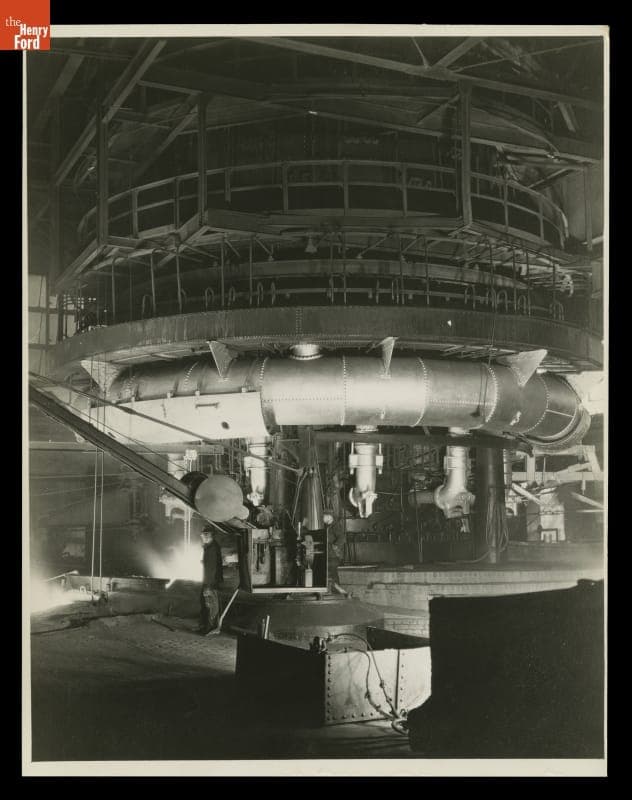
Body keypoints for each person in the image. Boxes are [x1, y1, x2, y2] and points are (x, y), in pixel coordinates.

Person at [198, 526, 223, 634]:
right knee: (205, 603)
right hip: (208, 580)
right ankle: (204, 625)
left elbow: (212, 568)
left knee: (210, 605)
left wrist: (208, 585)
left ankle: (210, 628)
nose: (201, 536)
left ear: (209, 535)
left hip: (210, 582)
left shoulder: (212, 548)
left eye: (204, 534)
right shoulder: (210, 546)